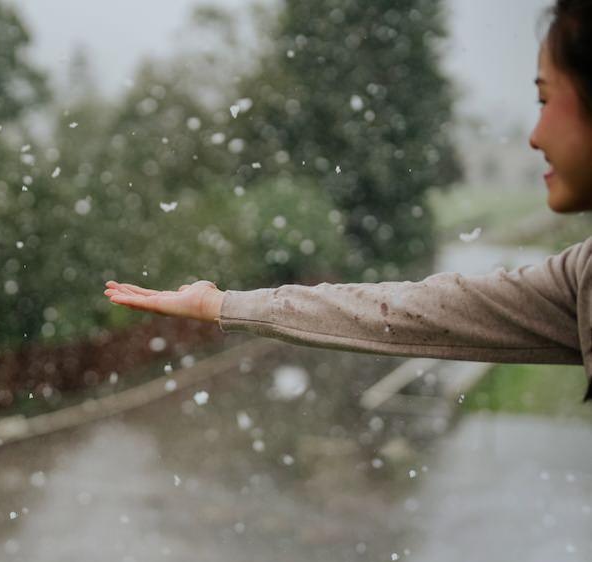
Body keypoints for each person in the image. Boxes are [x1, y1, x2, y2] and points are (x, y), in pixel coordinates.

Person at [103, 0, 592, 402]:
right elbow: (404, 311)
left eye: (546, 100)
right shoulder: (579, 279)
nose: (534, 136)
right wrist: (220, 303)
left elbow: (405, 314)